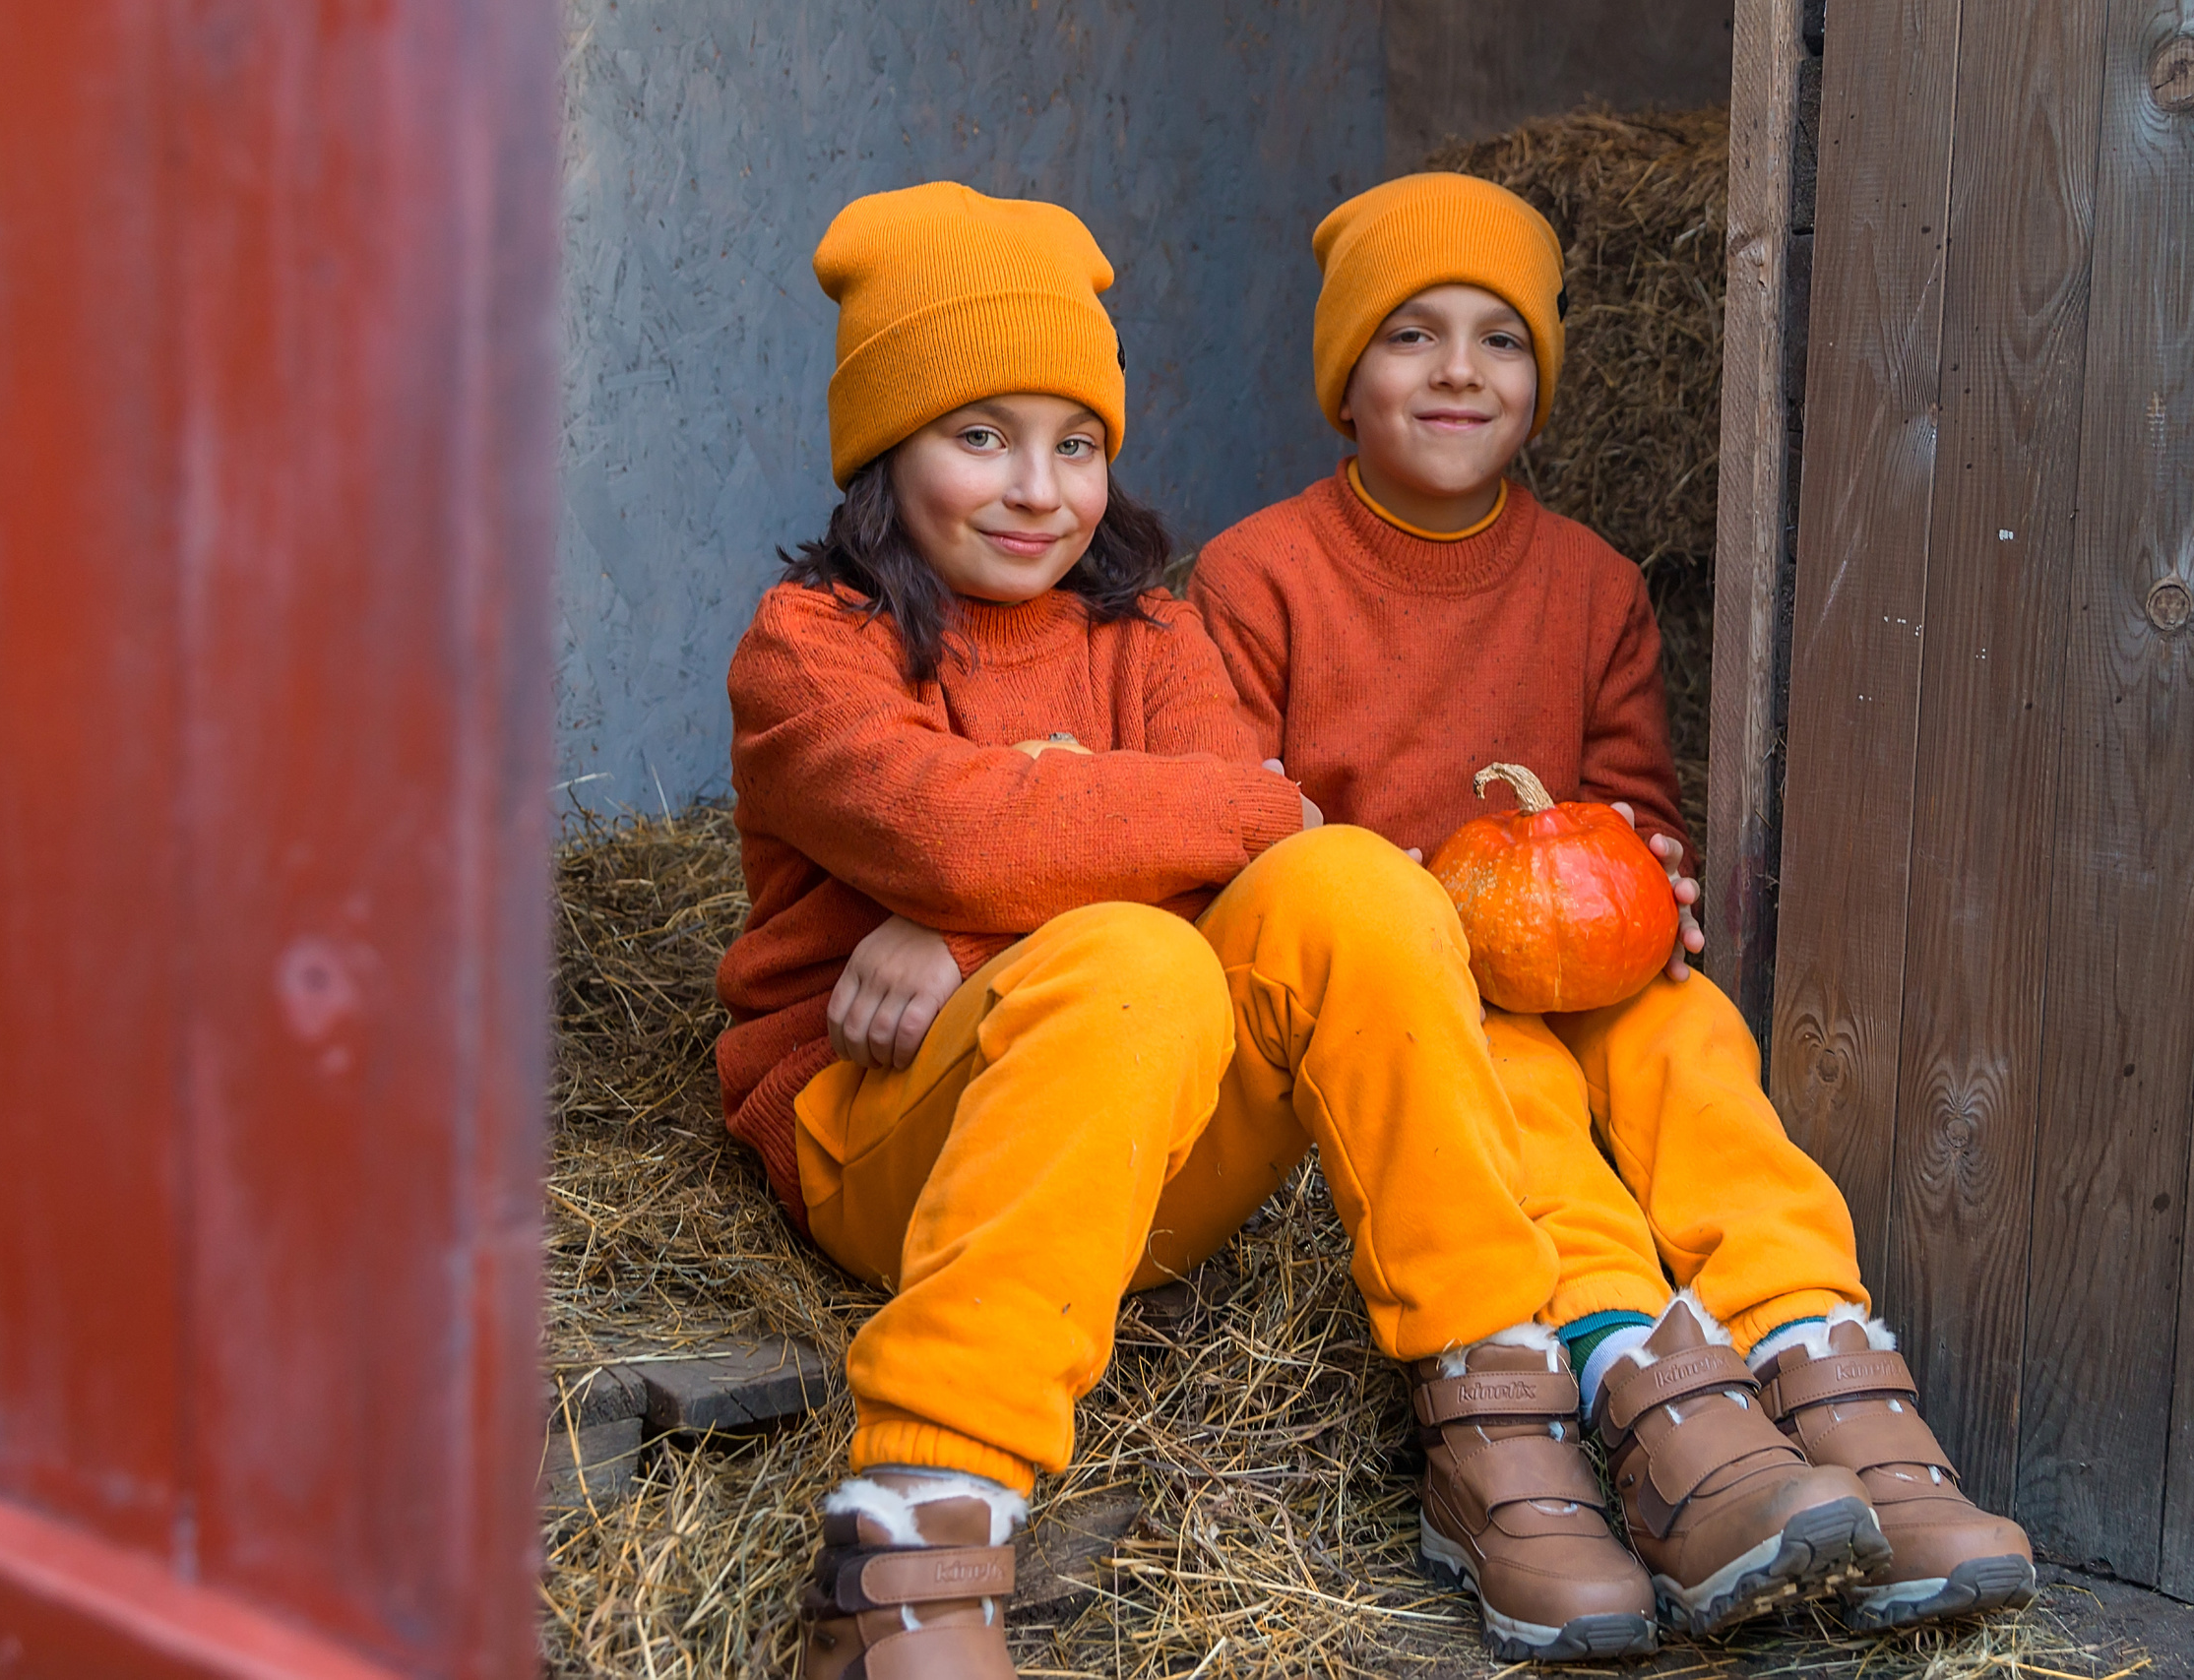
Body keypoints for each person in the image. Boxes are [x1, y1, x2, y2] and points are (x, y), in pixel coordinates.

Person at [717, 181, 1679, 1679]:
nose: (1040, 489)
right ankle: (924, 1511)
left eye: (1078, 444)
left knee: (1358, 884)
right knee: (1137, 949)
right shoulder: (811, 650)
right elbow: (965, 829)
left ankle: (1494, 1418)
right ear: (883, 448)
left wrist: (970, 917)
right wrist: (1074, 843)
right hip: (884, 1132)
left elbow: (1269, 837)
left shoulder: (1150, 635)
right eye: (982, 437)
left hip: (1144, 1146)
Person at [1190, 171, 2037, 1637]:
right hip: (1409, 995)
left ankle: (1831, 1383)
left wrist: (1652, 875)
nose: (1460, 370)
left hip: (1574, 961)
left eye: (1500, 339)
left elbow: (1628, 796)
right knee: (1522, 1101)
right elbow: (1226, 814)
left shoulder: (1591, 587)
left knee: (1694, 1046)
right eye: (1411, 335)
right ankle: (1658, 1408)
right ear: (1343, 376)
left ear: (1545, 375)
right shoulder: (1257, 576)